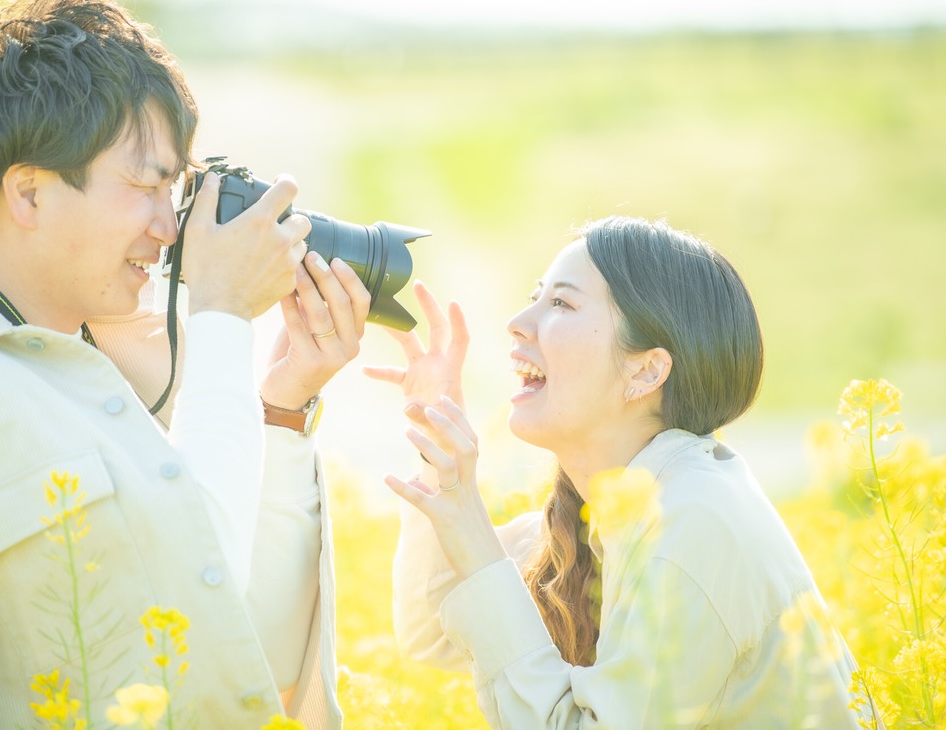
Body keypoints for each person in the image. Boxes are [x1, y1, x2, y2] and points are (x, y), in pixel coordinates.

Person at [0, 0, 366, 728]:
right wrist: (223, 315)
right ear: (29, 195)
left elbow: (225, 637)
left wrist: (281, 407)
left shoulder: (66, 374)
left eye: (177, 191)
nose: (171, 228)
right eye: (145, 185)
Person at [365, 217, 878, 728]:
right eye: (535, 296)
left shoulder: (693, 519)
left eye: (561, 303)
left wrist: (472, 527)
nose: (518, 322)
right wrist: (437, 437)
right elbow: (429, 631)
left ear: (646, 371)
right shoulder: (597, 519)